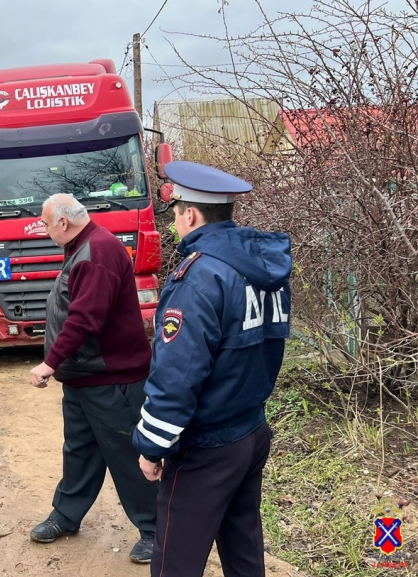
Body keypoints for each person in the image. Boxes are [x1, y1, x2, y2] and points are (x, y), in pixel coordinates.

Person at [132, 161, 292, 577]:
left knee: (175, 562)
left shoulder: (200, 277)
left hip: (208, 443)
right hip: (251, 429)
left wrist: (152, 447)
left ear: (190, 214)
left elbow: (177, 375)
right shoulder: (262, 268)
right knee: (243, 548)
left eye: (176, 213)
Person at [28, 193, 158, 564]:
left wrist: (49, 364)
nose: (44, 229)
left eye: (46, 222)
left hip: (111, 379)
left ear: (64, 224)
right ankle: (66, 516)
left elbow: (85, 320)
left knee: (126, 453)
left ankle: (154, 528)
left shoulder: (96, 253)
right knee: (79, 451)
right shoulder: (82, 247)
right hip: (85, 378)